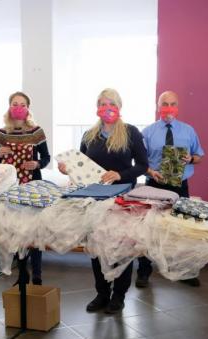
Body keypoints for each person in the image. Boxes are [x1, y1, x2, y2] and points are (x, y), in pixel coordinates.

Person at [58, 88, 148, 314]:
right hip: (94, 199)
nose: (106, 107)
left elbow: (142, 165)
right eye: (102, 103)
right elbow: (79, 166)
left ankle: (118, 296)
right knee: (96, 246)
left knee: (122, 247)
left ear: (119, 106)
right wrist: (66, 168)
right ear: (97, 108)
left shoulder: (130, 132)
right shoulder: (89, 135)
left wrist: (120, 174)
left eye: (111, 103)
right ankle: (101, 293)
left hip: (121, 198)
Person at [135, 91, 205, 288]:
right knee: (149, 229)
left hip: (180, 187)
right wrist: (150, 171)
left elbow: (199, 156)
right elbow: (140, 162)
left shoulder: (189, 131)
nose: (169, 107)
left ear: (178, 106)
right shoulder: (147, 132)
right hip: (154, 184)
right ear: (158, 106)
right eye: (164, 103)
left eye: (173, 103)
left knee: (182, 229)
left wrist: (191, 159)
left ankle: (185, 272)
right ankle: (143, 271)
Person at [0, 91, 51, 285]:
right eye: (15, 104)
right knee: (17, 230)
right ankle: (22, 272)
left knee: (35, 230)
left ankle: (37, 273)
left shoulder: (36, 132)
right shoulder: (2, 134)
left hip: (33, 185)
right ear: (9, 107)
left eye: (23, 104)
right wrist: (1, 154)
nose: (18, 107)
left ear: (28, 108)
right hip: (12, 186)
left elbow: (46, 158)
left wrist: (37, 164)